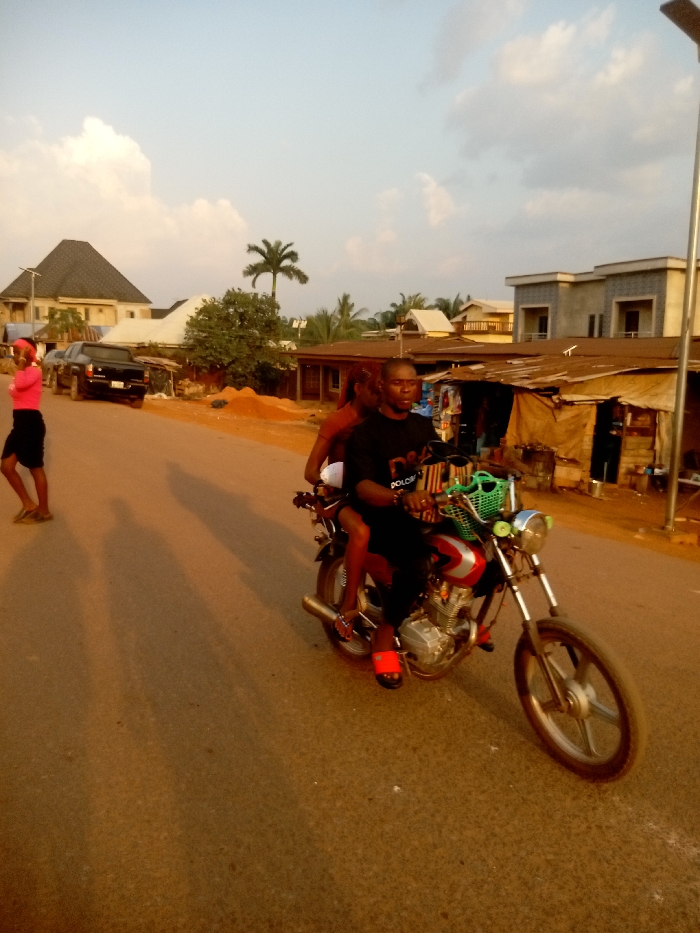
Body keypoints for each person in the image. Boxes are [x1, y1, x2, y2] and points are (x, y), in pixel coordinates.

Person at [345, 358, 439, 689]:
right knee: (418, 564)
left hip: (422, 510)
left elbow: (443, 458)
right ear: (383, 387)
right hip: (382, 515)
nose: (405, 389)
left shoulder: (423, 426)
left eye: (411, 383)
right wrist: (400, 497)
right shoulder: (365, 433)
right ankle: (385, 632)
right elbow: (362, 487)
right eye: (398, 383)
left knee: (478, 547)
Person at [304, 362, 381, 638]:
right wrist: (334, 484)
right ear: (358, 389)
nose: (381, 397)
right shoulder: (337, 421)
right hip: (340, 494)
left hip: (374, 491)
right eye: (375, 391)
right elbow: (310, 471)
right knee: (361, 532)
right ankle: (349, 605)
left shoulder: (382, 420)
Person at [1, 338, 52, 524]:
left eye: (18, 352)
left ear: (28, 353)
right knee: (6, 466)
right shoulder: (21, 372)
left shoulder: (34, 372)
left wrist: (23, 360)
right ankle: (29, 505)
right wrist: (21, 363)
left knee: (35, 467)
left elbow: (21, 385)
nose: (15, 356)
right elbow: (17, 387)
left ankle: (44, 511)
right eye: (14, 353)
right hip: (19, 424)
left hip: (31, 424)